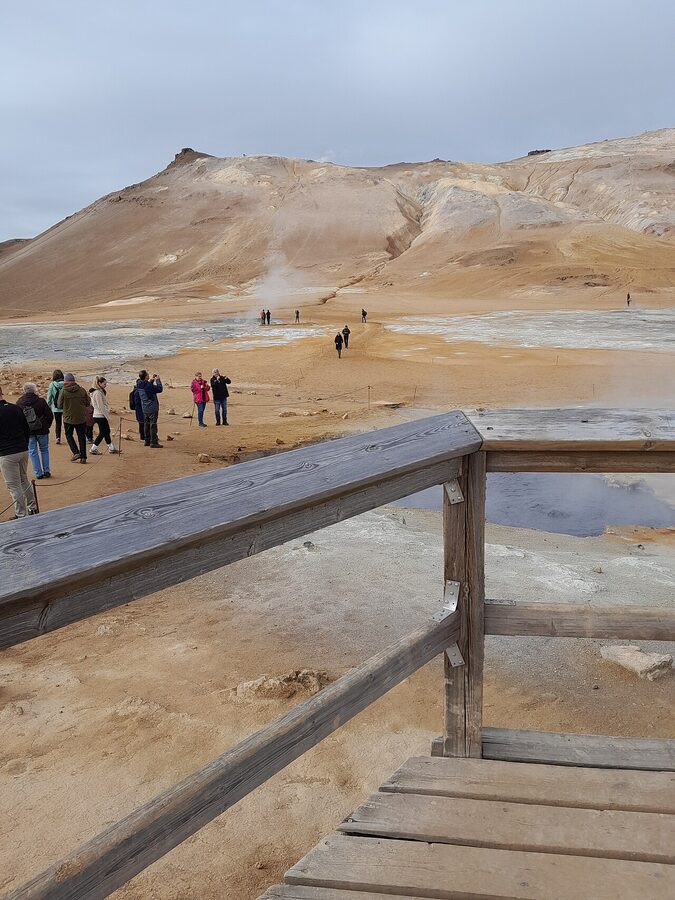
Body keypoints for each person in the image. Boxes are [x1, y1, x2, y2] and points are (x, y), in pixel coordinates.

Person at [0, 385, 37, 517]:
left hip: (7, 453)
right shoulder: (15, 408)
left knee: (13, 486)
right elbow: (26, 429)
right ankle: (32, 507)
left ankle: (20, 514)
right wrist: (24, 443)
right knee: (23, 480)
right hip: (22, 449)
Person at [16, 382, 53, 479]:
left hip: (29, 432)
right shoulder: (41, 401)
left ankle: (38, 473)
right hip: (42, 430)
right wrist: (47, 425)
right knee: (44, 450)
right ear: (34, 390)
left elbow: (19, 419)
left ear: (24, 390)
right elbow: (49, 415)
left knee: (32, 452)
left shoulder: (19, 402)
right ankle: (46, 471)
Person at [58, 374, 89, 464]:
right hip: (81, 418)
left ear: (65, 381)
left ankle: (76, 452)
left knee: (68, 435)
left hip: (68, 418)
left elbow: (59, 405)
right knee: (81, 436)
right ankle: (83, 457)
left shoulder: (63, 391)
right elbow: (87, 403)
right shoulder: (82, 390)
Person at [89, 376, 118, 455]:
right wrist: (107, 417)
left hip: (98, 415)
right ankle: (93, 448)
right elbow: (100, 406)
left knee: (106, 431)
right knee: (103, 433)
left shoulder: (97, 391)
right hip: (100, 415)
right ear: (99, 383)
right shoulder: (97, 393)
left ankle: (111, 448)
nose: (106, 385)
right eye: (104, 384)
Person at [136, 370, 163, 448]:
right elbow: (159, 389)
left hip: (144, 407)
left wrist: (151, 381)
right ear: (145, 377)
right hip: (152, 408)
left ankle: (147, 441)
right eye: (147, 375)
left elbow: (146, 386)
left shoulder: (139, 383)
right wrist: (158, 380)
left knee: (146, 425)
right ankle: (153, 442)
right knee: (153, 425)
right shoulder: (148, 386)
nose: (148, 375)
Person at [46, 369, 64, 445]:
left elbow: (49, 398)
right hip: (65, 406)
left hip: (56, 408)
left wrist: (48, 407)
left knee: (58, 423)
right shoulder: (65, 384)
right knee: (67, 422)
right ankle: (69, 436)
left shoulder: (52, 385)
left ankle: (58, 437)